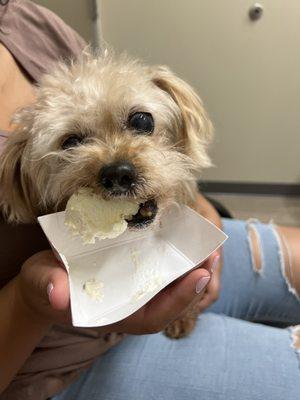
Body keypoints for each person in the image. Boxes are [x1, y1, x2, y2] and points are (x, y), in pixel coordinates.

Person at [0, 1, 299, 399]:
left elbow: (176, 166)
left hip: (158, 228)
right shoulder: (19, 167)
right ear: (24, 173)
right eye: (73, 142)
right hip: (59, 355)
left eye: (139, 123)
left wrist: (199, 208)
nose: (117, 164)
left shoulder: (21, 19)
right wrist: (28, 303)